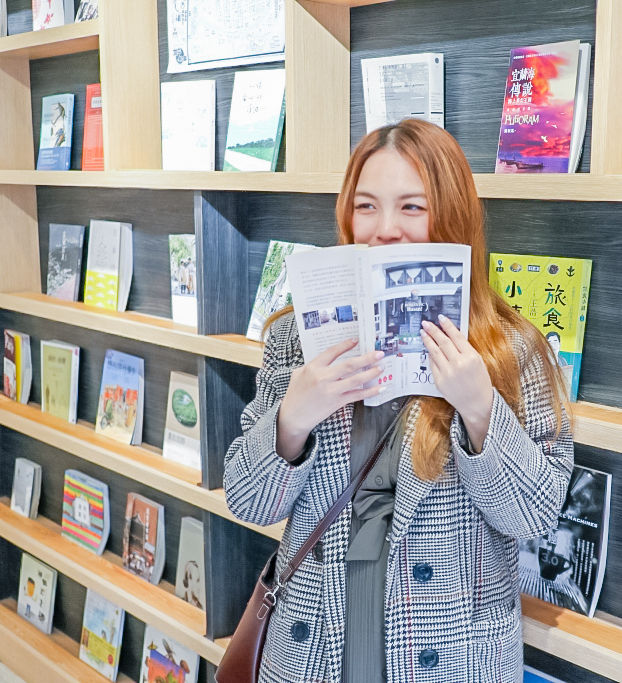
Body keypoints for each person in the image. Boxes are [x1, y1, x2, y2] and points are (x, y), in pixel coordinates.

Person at [223, 118, 574, 683]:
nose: (385, 230)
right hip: (315, 641)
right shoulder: (298, 338)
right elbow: (248, 501)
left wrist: (480, 409)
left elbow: (535, 515)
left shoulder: (511, 348)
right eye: (366, 207)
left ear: (452, 214)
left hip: (450, 650)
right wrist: (293, 419)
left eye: (412, 207)